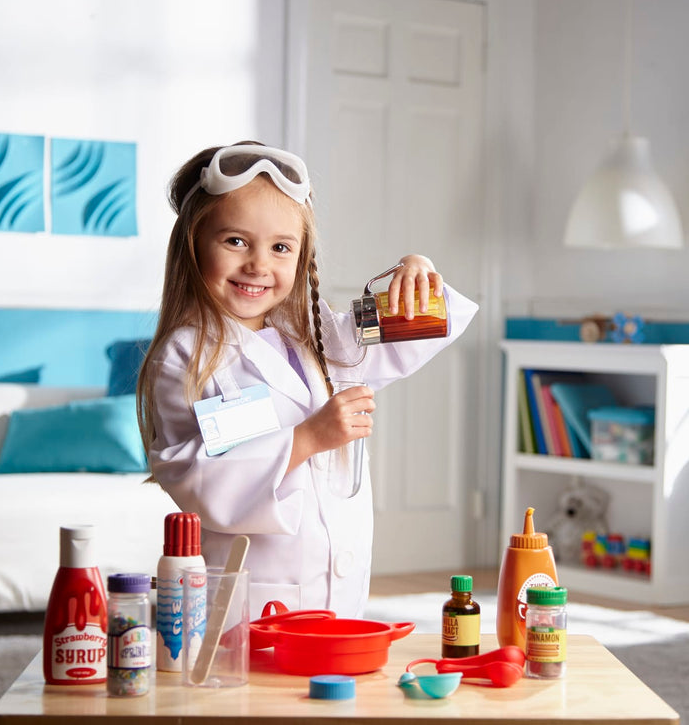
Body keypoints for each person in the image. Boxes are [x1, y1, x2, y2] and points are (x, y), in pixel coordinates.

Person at [137, 141, 478, 619]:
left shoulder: (322, 337)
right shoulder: (186, 357)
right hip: (256, 599)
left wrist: (418, 274)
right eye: (236, 241)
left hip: (338, 585)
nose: (258, 264)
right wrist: (308, 438)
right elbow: (194, 477)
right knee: (261, 691)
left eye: (280, 247)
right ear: (194, 245)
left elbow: (418, 331)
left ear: (302, 258)